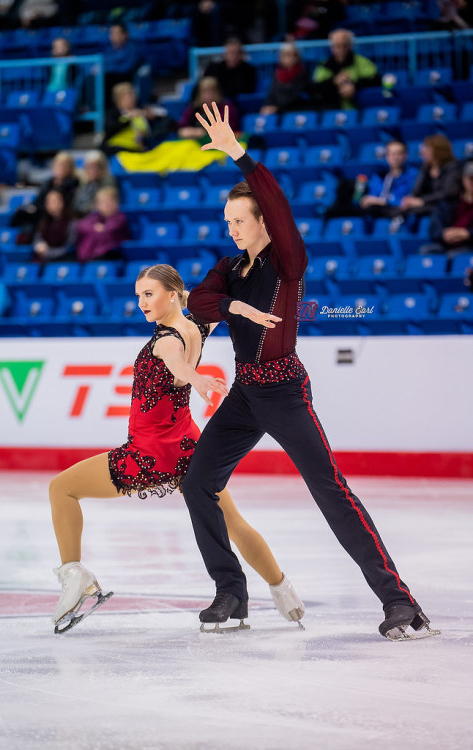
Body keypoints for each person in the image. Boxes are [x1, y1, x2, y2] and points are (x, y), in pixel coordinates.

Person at [181, 102, 439, 641]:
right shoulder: (230, 269)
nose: (230, 230)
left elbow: (278, 206)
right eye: (226, 222)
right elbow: (200, 300)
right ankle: (231, 590)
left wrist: (240, 155)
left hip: (283, 390)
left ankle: (400, 602)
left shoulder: (286, 261)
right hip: (246, 394)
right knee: (198, 480)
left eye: (239, 221)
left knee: (330, 490)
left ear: (261, 224)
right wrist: (237, 308)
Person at [49, 263, 305, 632]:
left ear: (172, 294)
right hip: (188, 449)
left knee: (61, 488)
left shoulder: (167, 338)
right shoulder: (197, 326)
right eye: (138, 295)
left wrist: (197, 378)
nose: (141, 302)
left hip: (147, 455)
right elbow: (216, 318)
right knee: (233, 523)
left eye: (149, 294)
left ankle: (74, 577)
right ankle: (283, 590)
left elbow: (175, 362)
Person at [11, 151, 79, 240]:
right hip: (42, 209)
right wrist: (31, 207)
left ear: (70, 168)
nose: (62, 168)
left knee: (39, 220)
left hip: (58, 213)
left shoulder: (72, 183)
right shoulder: (48, 183)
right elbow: (38, 200)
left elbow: (67, 203)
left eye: (65, 165)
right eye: (59, 165)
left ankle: (31, 241)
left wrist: (50, 206)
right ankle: (15, 241)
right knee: (21, 213)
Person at [308, 29, 380, 110]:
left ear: (350, 46)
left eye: (344, 45)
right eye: (337, 46)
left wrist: (354, 86)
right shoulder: (324, 65)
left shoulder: (362, 62)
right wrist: (334, 82)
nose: (340, 49)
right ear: (331, 47)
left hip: (360, 107)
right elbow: (317, 88)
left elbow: (376, 79)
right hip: (331, 109)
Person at [102, 82, 174, 155]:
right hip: (120, 151)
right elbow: (109, 128)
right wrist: (129, 118)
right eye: (128, 95)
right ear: (119, 99)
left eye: (133, 94)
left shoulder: (142, 111)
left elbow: (165, 119)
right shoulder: (113, 113)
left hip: (140, 149)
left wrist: (151, 118)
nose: (133, 98)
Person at [421, 160, 473, 259]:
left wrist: (467, 234)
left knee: (459, 255)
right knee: (426, 251)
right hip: (446, 244)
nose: (472, 182)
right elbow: (434, 228)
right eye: (469, 178)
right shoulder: (449, 202)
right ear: (462, 179)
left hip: (469, 245)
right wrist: (444, 233)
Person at [400, 134, 462, 215]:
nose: (422, 152)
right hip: (426, 204)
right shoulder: (425, 168)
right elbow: (417, 189)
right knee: (403, 210)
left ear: (439, 151)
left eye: (427, 149)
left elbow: (448, 193)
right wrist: (410, 199)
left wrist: (423, 201)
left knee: (438, 209)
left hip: (445, 206)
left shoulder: (453, 167)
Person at [359, 141, 419, 218]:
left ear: (406, 155)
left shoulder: (414, 175)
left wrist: (383, 201)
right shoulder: (379, 176)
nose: (395, 157)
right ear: (387, 156)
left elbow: (409, 201)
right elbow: (372, 197)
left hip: (401, 212)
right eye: (392, 154)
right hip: (379, 211)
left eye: (399, 153)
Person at [75, 187, 129, 263]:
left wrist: (99, 230)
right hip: (90, 258)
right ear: (97, 205)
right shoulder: (92, 218)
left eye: (110, 201)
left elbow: (112, 229)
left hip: (112, 256)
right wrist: (95, 228)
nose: (107, 204)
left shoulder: (120, 218)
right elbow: (81, 226)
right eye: (103, 202)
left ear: (116, 203)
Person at [260, 43, 307, 116]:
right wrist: (268, 106)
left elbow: (297, 96)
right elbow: (271, 95)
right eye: (285, 55)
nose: (289, 58)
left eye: (291, 55)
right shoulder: (277, 74)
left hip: (294, 111)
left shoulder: (302, 73)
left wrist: (277, 108)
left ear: (297, 57)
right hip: (277, 110)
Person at [103, 23, 143, 102]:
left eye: (116, 33)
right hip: (111, 78)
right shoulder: (108, 50)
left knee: (105, 79)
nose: (113, 36)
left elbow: (127, 68)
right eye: (111, 33)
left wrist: (107, 69)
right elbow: (103, 64)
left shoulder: (133, 49)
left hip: (126, 78)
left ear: (125, 35)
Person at [33, 189, 75, 262]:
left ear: (61, 203)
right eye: (48, 202)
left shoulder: (71, 222)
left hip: (63, 259)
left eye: (54, 201)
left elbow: (69, 247)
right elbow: (37, 239)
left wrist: (49, 252)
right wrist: (38, 246)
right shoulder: (44, 220)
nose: (51, 205)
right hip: (43, 258)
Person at [73, 151, 116, 217]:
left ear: (102, 168)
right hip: (81, 218)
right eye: (89, 167)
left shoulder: (108, 183)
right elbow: (76, 204)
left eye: (96, 167)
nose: (93, 170)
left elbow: (103, 206)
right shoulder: (83, 184)